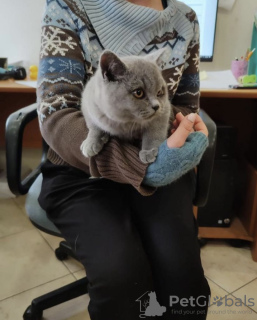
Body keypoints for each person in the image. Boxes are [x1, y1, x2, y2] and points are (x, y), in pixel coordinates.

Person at [37, 0, 211, 319]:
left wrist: (185, 127)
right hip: (82, 169)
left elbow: (185, 102)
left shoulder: (185, 19)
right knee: (123, 281)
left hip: (158, 156)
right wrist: (142, 167)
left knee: (185, 285)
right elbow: (55, 113)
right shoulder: (68, 7)